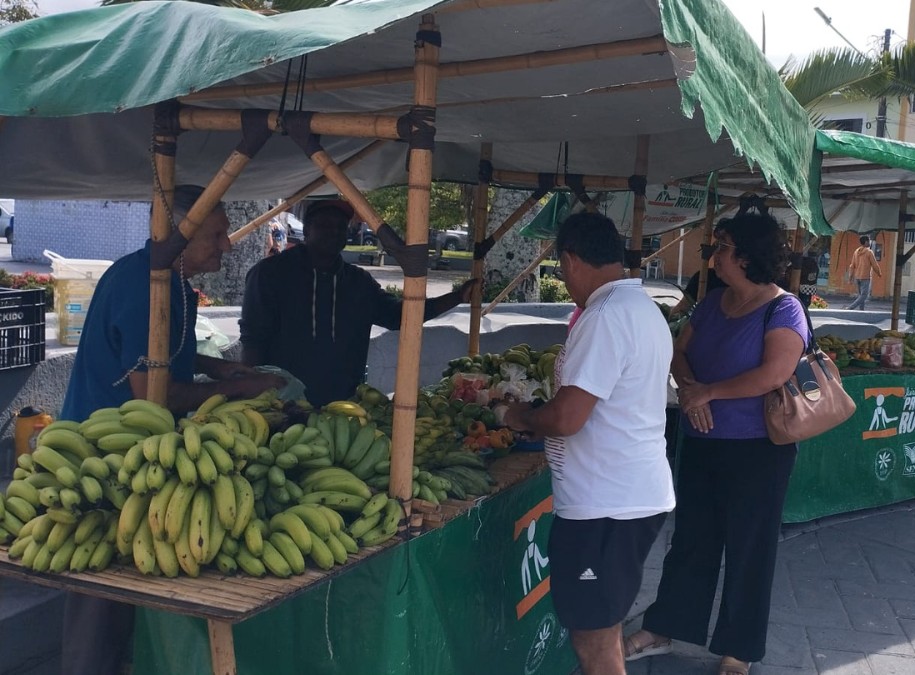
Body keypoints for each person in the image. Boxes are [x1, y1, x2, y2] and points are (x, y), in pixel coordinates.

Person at [59, 185, 287, 675]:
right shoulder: (145, 287)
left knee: (132, 589)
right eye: (217, 234)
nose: (227, 245)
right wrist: (243, 388)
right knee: (101, 597)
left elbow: (167, 355)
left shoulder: (173, 283)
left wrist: (215, 367)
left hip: (142, 455)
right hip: (100, 460)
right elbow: (154, 394)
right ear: (180, 235)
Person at [623, 208, 809, 675]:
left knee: (750, 547)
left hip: (759, 449)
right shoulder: (712, 303)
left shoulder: (783, 308)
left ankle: (739, 649)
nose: (712, 259)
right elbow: (678, 350)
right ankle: (664, 627)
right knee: (690, 540)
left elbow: (775, 373)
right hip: (703, 440)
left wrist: (710, 391)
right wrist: (689, 390)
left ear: (747, 255)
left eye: (720, 248)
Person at [503, 212, 675, 675]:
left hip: (606, 507)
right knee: (605, 624)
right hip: (628, 496)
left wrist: (519, 416)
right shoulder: (643, 308)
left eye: (561, 270)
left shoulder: (604, 316)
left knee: (593, 640)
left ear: (572, 261)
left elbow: (567, 417)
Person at [239, 199, 478, 407]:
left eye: (340, 227)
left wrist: (457, 297)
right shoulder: (270, 274)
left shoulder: (358, 282)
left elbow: (399, 316)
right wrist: (253, 397)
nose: (333, 232)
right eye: (324, 225)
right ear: (308, 230)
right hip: (280, 401)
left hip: (344, 404)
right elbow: (252, 338)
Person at [845, 234, 881, 310]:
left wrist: (850, 277)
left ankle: (861, 310)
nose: (869, 243)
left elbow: (852, 266)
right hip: (865, 277)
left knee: (860, 295)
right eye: (868, 241)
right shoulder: (869, 252)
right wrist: (879, 273)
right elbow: (874, 264)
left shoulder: (856, 252)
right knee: (864, 296)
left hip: (857, 277)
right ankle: (850, 307)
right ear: (865, 242)